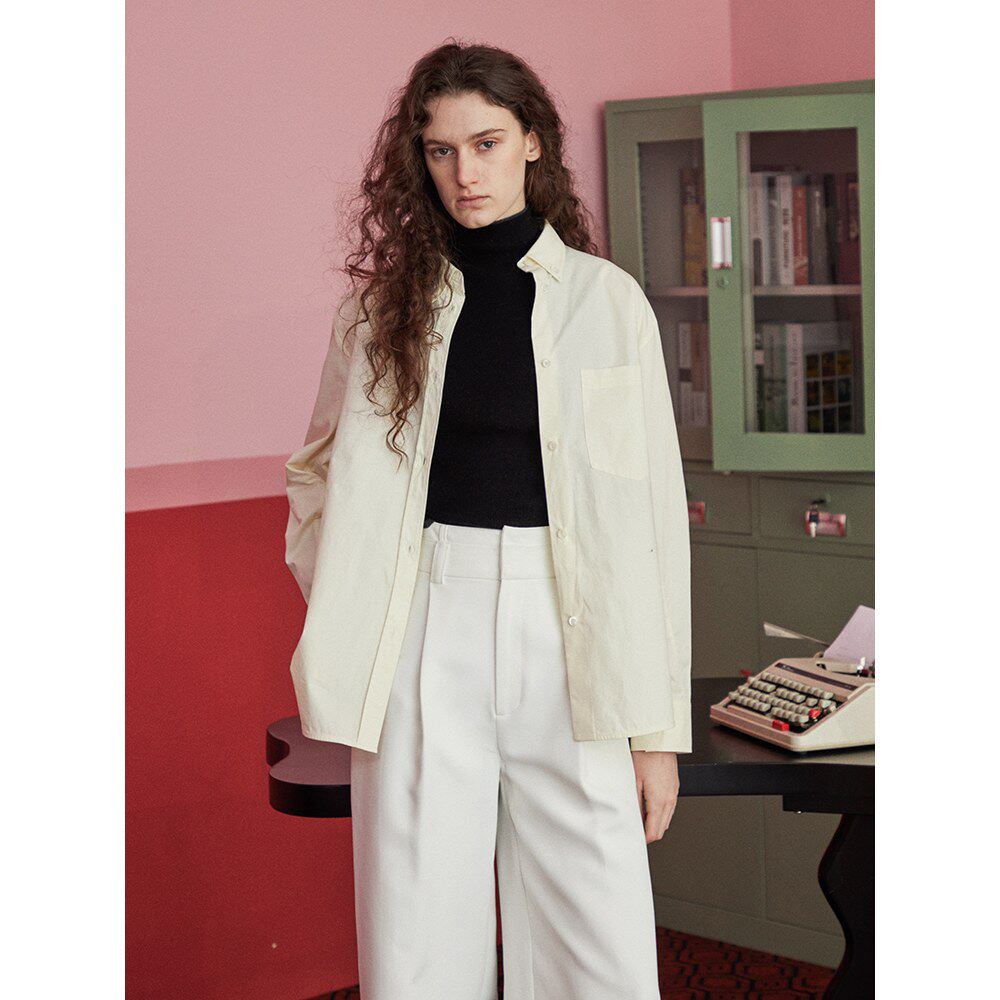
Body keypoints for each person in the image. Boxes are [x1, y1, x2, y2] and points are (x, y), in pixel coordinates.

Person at [283, 40, 691, 1000]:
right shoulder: (377, 313)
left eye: (487, 143)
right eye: (441, 150)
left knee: (600, 938)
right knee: (418, 928)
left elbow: (653, 523)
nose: (465, 172)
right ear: (418, 161)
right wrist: (357, 597)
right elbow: (315, 471)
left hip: (574, 625)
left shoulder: (608, 304)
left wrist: (657, 731)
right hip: (427, 620)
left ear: (534, 142)